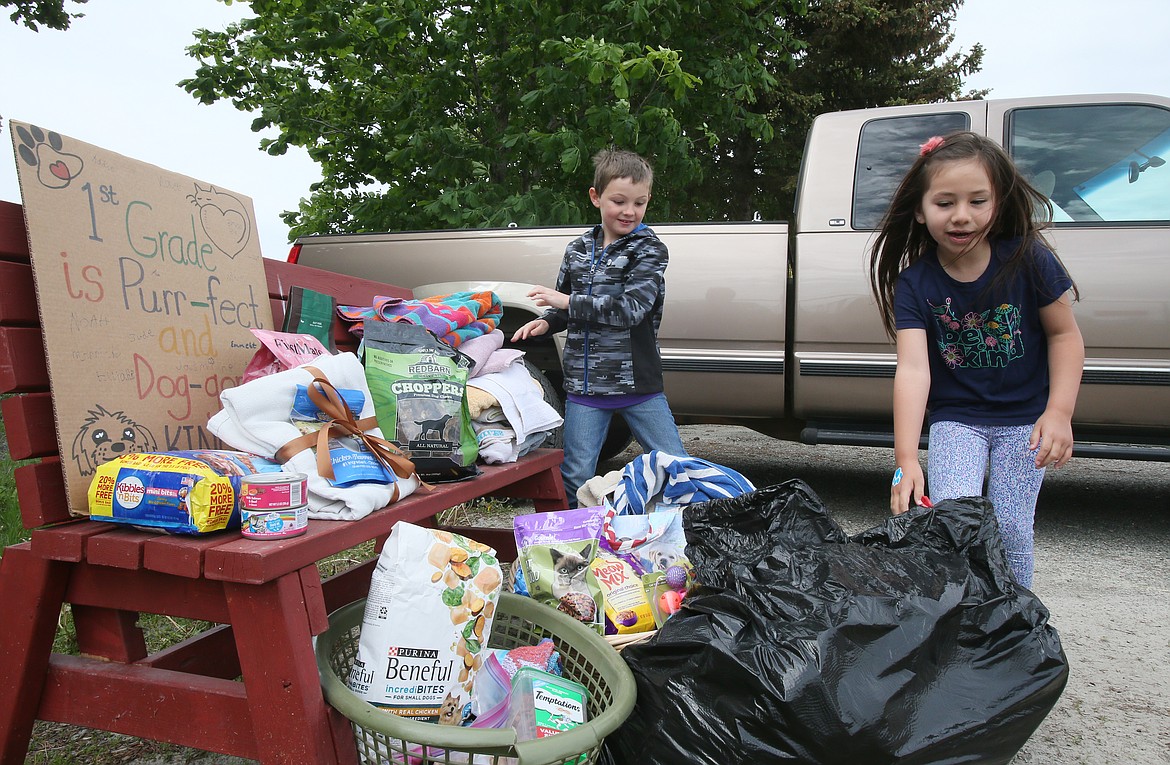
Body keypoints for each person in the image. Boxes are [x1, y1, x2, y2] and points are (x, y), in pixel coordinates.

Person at [868, 131, 1084, 588]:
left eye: (977, 201)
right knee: (955, 524)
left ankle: (1016, 622)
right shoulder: (915, 283)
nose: (961, 216)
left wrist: (1059, 413)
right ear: (921, 212)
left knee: (1009, 529)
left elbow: (1065, 336)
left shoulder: (1030, 260)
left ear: (999, 204)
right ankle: (965, 620)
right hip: (957, 420)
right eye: (945, 203)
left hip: (1026, 423)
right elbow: (913, 368)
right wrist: (906, 458)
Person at [511, 148, 688, 507]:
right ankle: (579, 549)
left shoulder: (650, 250)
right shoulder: (578, 249)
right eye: (619, 201)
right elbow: (566, 308)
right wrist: (545, 322)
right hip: (584, 387)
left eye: (639, 203)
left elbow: (630, 310)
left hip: (637, 383)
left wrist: (564, 303)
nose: (629, 211)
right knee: (576, 475)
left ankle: (691, 536)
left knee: (677, 468)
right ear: (596, 197)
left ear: (647, 200)